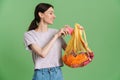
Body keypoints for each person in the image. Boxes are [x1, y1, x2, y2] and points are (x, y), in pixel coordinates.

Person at [24, 3, 69, 80]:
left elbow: (70, 52)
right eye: (50, 13)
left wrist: (76, 34)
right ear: (41, 14)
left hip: (57, 73)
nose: (54, 16)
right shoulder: (29, 35)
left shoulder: (56, 32)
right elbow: (42, 53)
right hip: (41, 75)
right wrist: (56, 36)